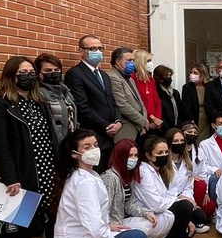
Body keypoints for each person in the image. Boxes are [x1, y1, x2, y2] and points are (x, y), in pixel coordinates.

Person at [0, 56, 59, 238]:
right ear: (11, 75)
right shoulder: (0, 101)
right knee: (21, 219)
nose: (28, 76)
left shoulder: (39, 100)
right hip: (22, 170)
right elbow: (1, 143)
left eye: (30, 72)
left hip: (46, 166)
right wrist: (10, 177)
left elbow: (50, 135)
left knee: (51, 214)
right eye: (22, 73)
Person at [133, 136, 199, 238]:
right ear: (148, 155)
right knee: (185, 207)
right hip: (149, 216)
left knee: (188, 232)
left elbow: (166, 195)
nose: (163, 155)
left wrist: (186, 218)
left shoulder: (156, 170)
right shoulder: (144, 172)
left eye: (165, 152)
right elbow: (156, 205)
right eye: (159, 153)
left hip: (159, 214)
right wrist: (180, 200)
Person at [101, 139, 174, 238]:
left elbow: (129, 204)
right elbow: (102, 207)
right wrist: (107, 224)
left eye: (135, 155)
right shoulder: (110, 178)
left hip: (123, 220)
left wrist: (145, 213)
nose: (133, 159)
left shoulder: (127, 176)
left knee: (167, 216)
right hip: (111, 225)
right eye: (130, 155)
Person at [64, 34, 122, 171]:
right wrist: (107, 127)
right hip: (93, 137)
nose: (98, 52)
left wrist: (118, 121)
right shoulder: (75, 74)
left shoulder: (104, 75)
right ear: (81, 52)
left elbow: (112, 102)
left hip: (110, 138)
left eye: (100, 48)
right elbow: (82, 107)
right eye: (92, 48)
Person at [164, 128, 209, 232]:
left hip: (183, 198)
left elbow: (188, 186)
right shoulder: (164, 164)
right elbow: (163, 190)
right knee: (185, 208)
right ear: (169, 143)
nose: (179, 143)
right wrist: (180, 198)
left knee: (201, 216)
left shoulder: (187, 161)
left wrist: (190, 200)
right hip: (169, 200)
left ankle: (188, 222)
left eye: (181, 141)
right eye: (175, 141)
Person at [106, 47, 149, 143]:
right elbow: (122, 105)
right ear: (118, 61)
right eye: (129, 60)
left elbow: (139, 101)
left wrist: (143, 121)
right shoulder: (113, 77)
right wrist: (143, 121)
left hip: (138, 128)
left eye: (133, 60)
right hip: (126, 130)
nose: (132, 63)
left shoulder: (129, 78)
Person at [35, 53, 78, 144]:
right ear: (39, 73)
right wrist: (61, 143)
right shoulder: (38, 93)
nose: (53, 73)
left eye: (56, 70)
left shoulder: (65, 91)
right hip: (53, 144)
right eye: (48, 70)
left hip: (71, 141)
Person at [179, 121, 216, 219]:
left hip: (197, 189)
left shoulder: (199, 151)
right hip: (182, 188)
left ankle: (197, 212)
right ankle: (192, 216)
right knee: (200, 184)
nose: (192, 135)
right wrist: (191, 177)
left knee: (210, 207)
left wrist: (206, 193)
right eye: (189, 132)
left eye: (195, 133)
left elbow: (203, 172)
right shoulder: (177, 151)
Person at [199, 113, 222, 201]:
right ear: (213, 126)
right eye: (220, 124)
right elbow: (202, 166)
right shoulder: (204, 144)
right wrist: (214, 170)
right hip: (214, 178)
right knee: (215, 180)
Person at [131, 49, 163, 135]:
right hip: (143, 122)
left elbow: (157, 101)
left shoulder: (150, 79)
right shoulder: (133, 79)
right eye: (148, 61)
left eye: (151, 60)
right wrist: (151, 118)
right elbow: (138, 103)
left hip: (156, 122)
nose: (151, 63)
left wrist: (157, 119)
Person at [181, 63, 211, 141]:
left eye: (195, 73)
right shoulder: (187, 87)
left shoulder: (209, 86)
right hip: (194, 119)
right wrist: (191, 121)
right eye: (191, 72)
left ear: (202, 74)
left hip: (207, 119)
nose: (192, 75)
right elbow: (186, 106)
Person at [154, 65, 186, 132]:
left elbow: (180, 111)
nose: (170, 79)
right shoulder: (156, 93)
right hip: (162, 129)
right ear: (160, 78)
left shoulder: (175, 93)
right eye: (167, 76)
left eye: (170, 76)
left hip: (176, 127)